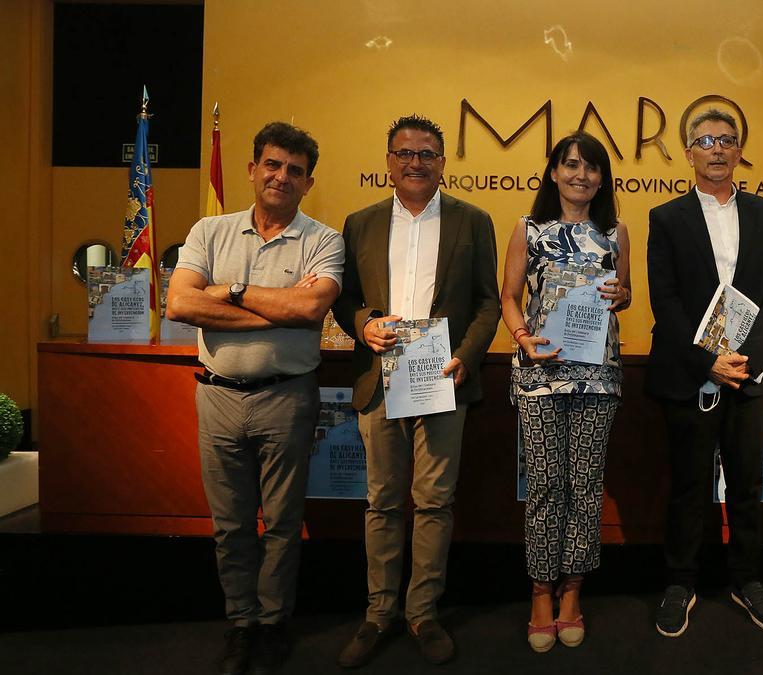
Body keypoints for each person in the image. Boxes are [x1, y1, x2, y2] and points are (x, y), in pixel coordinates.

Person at [166, 121, 344, 675]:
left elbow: (309, 311)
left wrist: (230, 292)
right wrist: (272, 306)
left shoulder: (324, 240)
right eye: (272, 164)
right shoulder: (208, 231)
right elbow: (179, 305)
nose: (281, 177)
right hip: (216, 397)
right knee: (232, 524)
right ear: (252, 169)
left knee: (284, 522)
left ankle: (273, 625)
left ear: (308, 182)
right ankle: (240, 623)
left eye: (295, 170)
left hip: (286, 397)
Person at [332, 115, 500, 667]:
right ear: (388, 162)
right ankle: (378, 612)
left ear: (443, 162)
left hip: (442, 380)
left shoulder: (472, 221)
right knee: (381, 500)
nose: (415, 162)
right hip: (380, 379)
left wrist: (466, 357)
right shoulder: (359, 223)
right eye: (404, 153)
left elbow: (487, 302)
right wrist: (362, 323)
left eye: (427, 153)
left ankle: (422, 611)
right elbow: (345, 296)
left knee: (434, 502)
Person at [646, 109, 763, 637]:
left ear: (738, 151)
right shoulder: (665, 218)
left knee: (748, 484)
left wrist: (745, 358)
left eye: (727, 140)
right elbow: (665, 300)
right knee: (687, 485)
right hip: (689, 374)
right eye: (705, 140)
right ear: (689, 153)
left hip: (751, 375)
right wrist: (708, 360)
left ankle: (746, 579)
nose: (717, 148)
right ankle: (680, 582)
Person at [499, 132, 632, 652]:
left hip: (597, 376)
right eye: (571, 164)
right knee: (546, 486)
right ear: (553, 172)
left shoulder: (616, 230)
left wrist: (621, 294)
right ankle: (539, 590)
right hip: (539, 375)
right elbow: (509, 296)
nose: (581, 174)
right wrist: (522, 337)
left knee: (585, 483)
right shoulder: (528, 229)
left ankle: (573, 590)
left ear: (602, 178)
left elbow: (624, 296)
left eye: (592, 167)